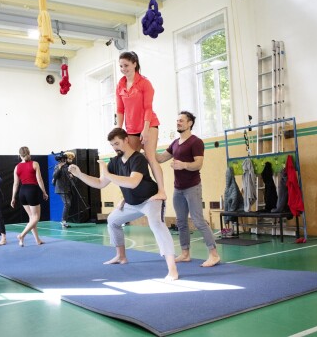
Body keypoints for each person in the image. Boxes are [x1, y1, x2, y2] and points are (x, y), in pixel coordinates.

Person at [69, 128, 178, 281]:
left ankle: (172, 269)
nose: (115, 148)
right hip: (132, 203)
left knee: (157, 225)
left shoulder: (138, 159)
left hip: (151, 199)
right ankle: (121, 256)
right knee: (112, 220)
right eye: (112, 145)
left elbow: (133, 182)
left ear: (126, 140)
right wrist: (79, 174)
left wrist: (107, 174)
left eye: (117, 143)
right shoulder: (114, 162)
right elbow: (100, 183)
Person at [155, 111, 220, 267]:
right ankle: (185, 253)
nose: (178, 123)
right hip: (178, 189)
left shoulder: (196, 142)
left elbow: (198, 164)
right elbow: (160, 158)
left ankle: (214, 254)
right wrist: (148, 147)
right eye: (177, 120)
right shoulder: (175, 143)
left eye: (181, 121)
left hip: (193, 187)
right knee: (181, 222)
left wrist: (183, 165)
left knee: (198, 221)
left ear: (190, 123)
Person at [116, 51, 166, 201]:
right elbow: (120, 109)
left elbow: (148, 108)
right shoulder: (120, 84)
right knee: (128, 160)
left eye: (126, 65)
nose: (123, 69)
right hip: (131, 129)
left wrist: (145, 130)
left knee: (150, 157)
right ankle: (127, 195)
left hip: (148, 124)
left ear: (134, 64)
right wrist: (119, 129)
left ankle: (162, 191)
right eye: (121, 66)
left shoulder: (144, 83)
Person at [11, 146, 48, 246]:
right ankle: (22, 235)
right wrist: (44, 192)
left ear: (19, 155)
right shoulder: (35, 164)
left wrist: (13, 197)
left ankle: (37, 240)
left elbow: (15, 184)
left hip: (22, 192)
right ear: (29, 153)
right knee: (36, 218)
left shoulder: (17, 167)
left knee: (31, 218)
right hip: (32, 190)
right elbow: (39, 180)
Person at [52, 151, 75, 228]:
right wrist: (59, 167)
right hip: (61, 188)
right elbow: (55, 176)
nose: (70, 160)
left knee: (68, 204)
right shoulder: (58, 166)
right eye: (69, 158)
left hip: (68, 188)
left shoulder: (69, 167)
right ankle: (63, 221)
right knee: (67, 203)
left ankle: (64, 220)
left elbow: (72, 178)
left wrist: (72, 176)